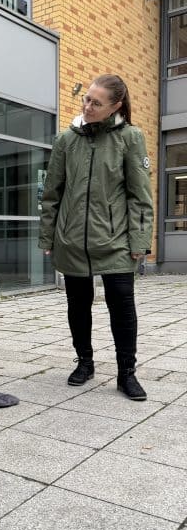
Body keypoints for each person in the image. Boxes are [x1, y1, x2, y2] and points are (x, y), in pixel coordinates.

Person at [38, 74, 153, 400]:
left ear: (115, 106)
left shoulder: (130, 138)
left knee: (123, 306)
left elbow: (139, 196)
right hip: (72, 239)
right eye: (87, 99)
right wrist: (47, 238)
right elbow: (52, 194)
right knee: (78, 305)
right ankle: (85, 362)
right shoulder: (66, 140)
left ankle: (126, 373)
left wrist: (139, 241)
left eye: (96, 102)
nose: (87, 106)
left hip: (115, 240)